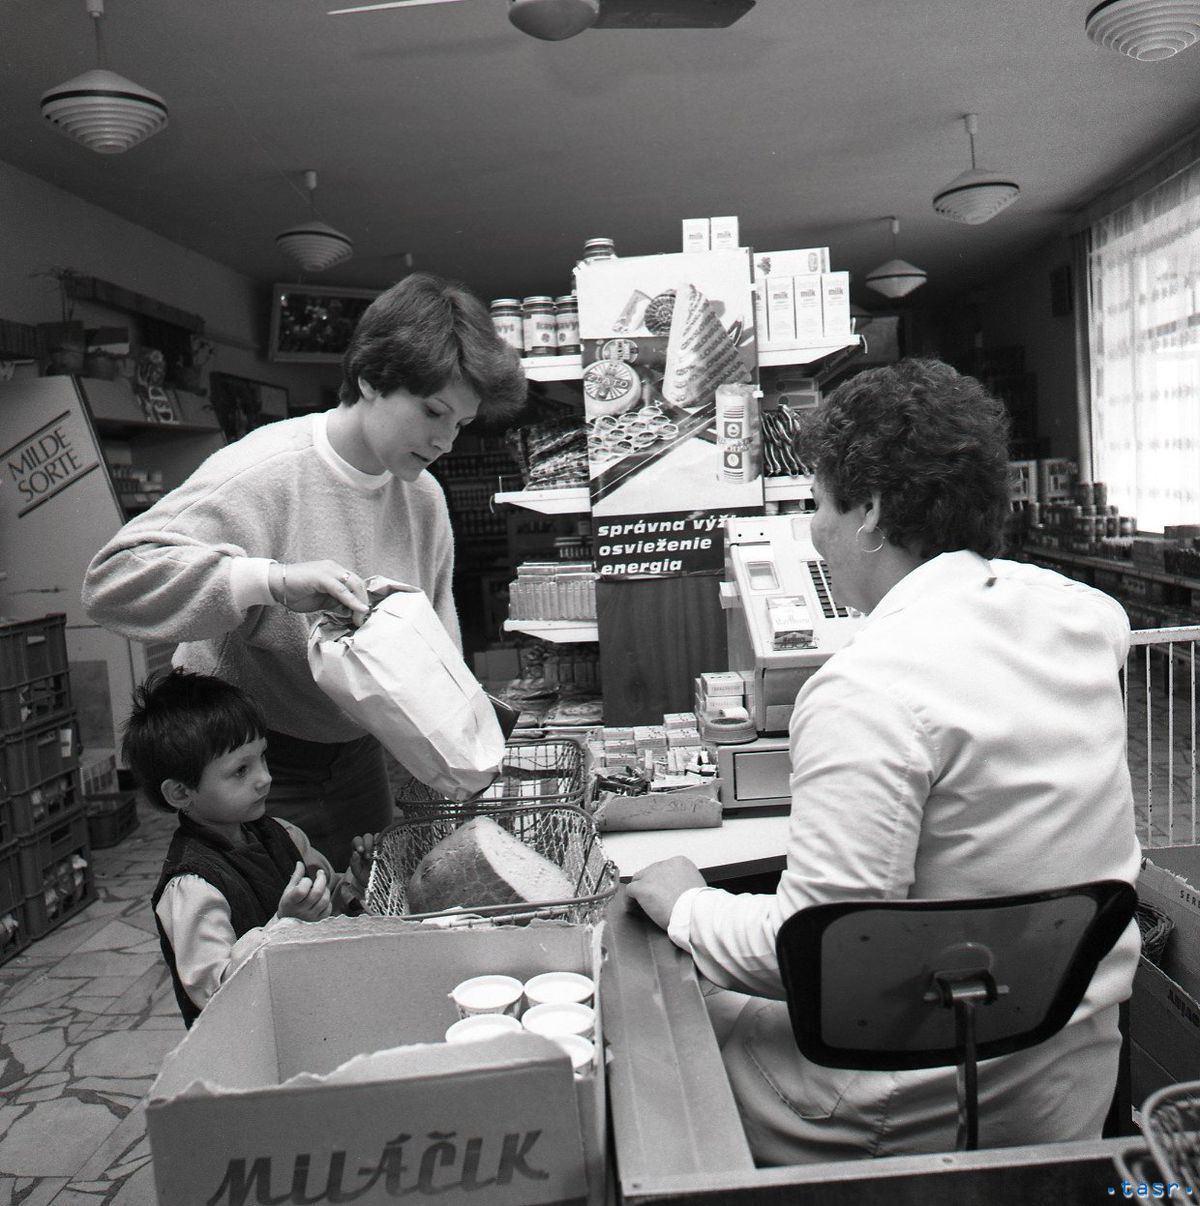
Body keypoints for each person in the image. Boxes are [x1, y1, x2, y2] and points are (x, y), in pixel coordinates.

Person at [627, 358, 1140, 1164]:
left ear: (868, 510)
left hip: (910, 1099)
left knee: (668, 1021)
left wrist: (686, 904)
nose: (813, 531)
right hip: (1068, 1079)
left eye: (817, 504)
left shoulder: (865, 688)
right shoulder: (1089, 619)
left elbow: (817, 953)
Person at [82, 272, 527, 869]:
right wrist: (270, 580)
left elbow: (436, 631)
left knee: (369, 898)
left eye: (462, 424)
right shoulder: (266, 470)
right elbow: (111, 582)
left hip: (359, 753)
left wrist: (467, 742)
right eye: (433, 411)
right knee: (269, 914)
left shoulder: (423, 496)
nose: (446, 439)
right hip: (245, 760)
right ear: (370, 378)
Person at [124, 669, 376, 1027]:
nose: (265, 778)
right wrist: (286, 924)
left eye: (263, 757)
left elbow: (326, 903)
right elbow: (216, 991)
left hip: (302, 1016)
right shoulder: (192, 886)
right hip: (248, 1040)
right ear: (180, 792)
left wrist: (355, 882)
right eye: (241, 770)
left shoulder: (283, 834)